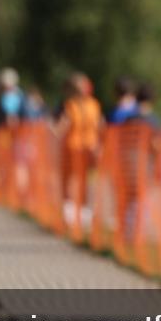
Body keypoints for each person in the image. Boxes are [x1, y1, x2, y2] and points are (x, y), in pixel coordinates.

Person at [56, 72, 104, 230]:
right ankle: (86, 216)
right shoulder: (94, 105)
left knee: (69, 182)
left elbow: (63, 126)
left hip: (72, 148)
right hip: (90, 148)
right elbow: (101, 127)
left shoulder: (71, 105)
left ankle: (70, 216)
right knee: (87, 182)